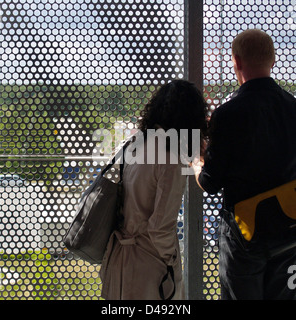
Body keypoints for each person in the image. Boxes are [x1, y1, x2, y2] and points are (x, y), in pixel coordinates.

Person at [194, 29, 296, 300]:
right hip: (289, 231)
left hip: (244, 234)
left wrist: (198, 163)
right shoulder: (293, 107)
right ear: (273, 61)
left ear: (236, 62)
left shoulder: (228, 114)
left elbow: (210, 183)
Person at [100, 79, 208, 300]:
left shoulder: (135, 144)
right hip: (149, 268)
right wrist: (171, 260)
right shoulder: (171, 158)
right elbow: (160, 229)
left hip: (119, 258)